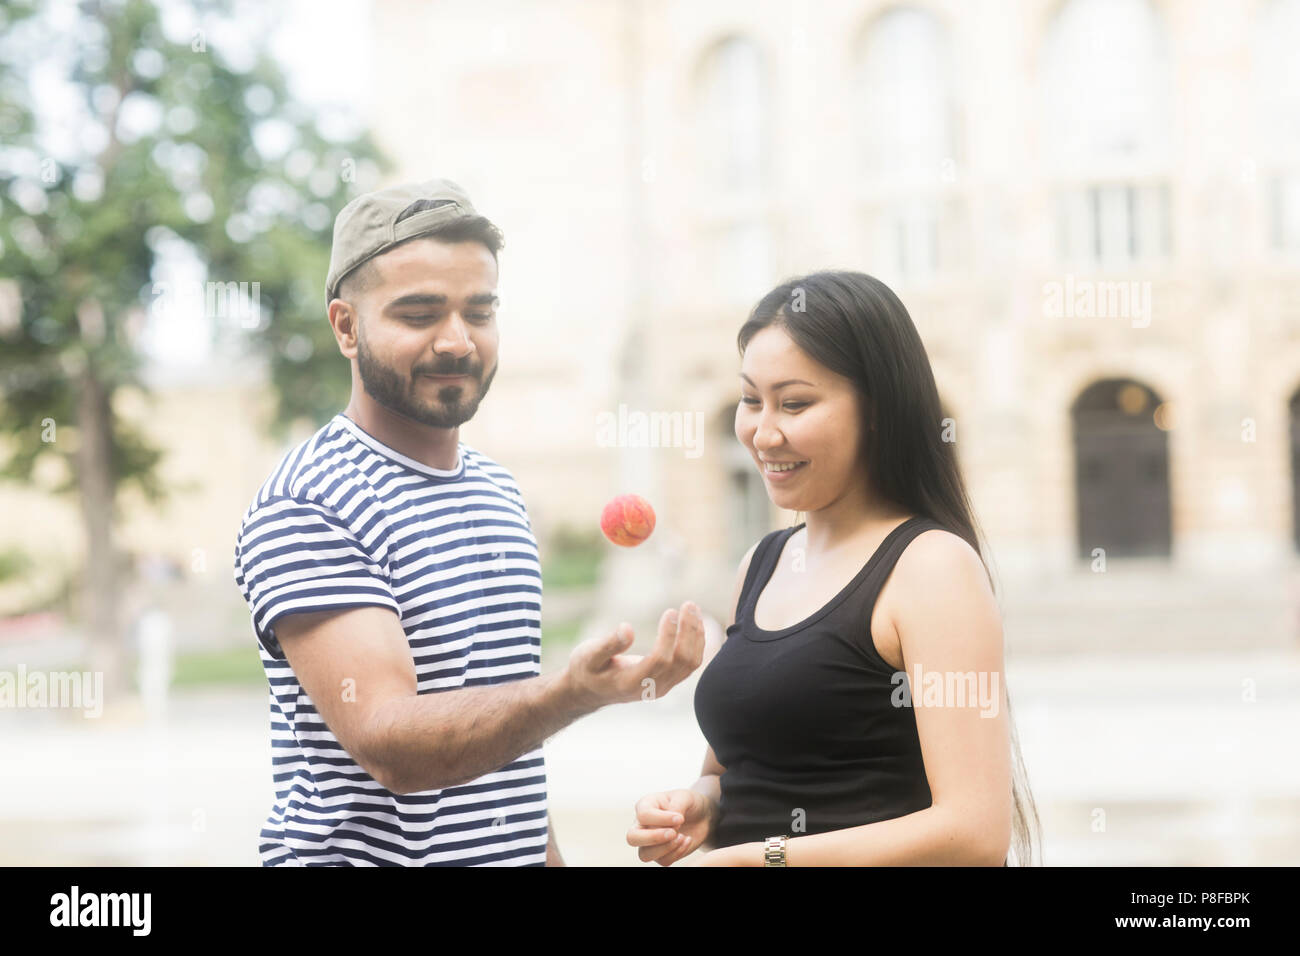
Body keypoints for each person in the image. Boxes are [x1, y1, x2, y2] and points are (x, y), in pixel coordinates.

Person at [233, 178, 704, 866]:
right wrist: (570, 694)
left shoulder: (496, 492)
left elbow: (501, 750)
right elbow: (390, 744)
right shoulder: (310, 501)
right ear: (345, 326)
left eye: (478, 312)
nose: (456, 341)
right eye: (419, 313)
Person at [627, 271, 1040, 866]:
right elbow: (743, 769)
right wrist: (702, 804)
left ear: (878, 410)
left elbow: (974, 834)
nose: (763, 433)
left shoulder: (932, 569)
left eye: (794, 403)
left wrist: (757, 858)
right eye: (750, 400)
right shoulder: (761, 564)